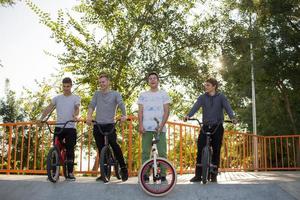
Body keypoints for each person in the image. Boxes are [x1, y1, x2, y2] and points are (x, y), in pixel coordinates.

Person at [184, 78, 236, 183]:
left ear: (214, 86)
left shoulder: (221, 97)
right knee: (200, 148)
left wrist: (232, 117)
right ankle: (198, 175)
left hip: (217, 126)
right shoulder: (202, 97)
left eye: (208, 85)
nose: (205, 87)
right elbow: (195, 107)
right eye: (205, 85)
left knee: (216, 150)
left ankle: (214, 175)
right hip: (205, 125)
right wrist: (188, 115)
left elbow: (228, 108)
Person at [86, 72, 128, 182]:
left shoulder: (115, 94)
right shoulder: (96, 94)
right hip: (98, 125)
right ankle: (104, 173)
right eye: (100, 82)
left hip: (110, 124)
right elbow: (91, 106)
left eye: (103, 82)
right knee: (101, 149)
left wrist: (124, 115)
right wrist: (89, 116)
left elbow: (121, 104)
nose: (101, 84)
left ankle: (123, 168)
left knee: (114, 144)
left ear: (108, 82)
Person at [39, 77, 80, 180]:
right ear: (62, 86)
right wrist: (41, 119)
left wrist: (75, 116)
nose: (66, 88)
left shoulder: (76, 97)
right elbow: (48, 108)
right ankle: (53, 173)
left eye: (68, 86)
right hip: (59, 126)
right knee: (56, 148)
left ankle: (70, 173)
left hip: (70, 127)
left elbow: (76, 108)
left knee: (70, 149)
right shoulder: (57, 98)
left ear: (71, 86)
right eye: (64, 86)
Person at [137, 72, 170, 183]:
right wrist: (140, 125)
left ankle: (163, 175)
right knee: (145, 152)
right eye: (150, 78)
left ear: (158, 80)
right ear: (148, 81)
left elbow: (166, 111)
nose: (152, 80)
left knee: (162, 152)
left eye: (154, 78)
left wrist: (161, 126)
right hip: (146, 128)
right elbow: (140, 111)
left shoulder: (163, 94)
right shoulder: (143, 95)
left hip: (159, 128)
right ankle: (145, 175)